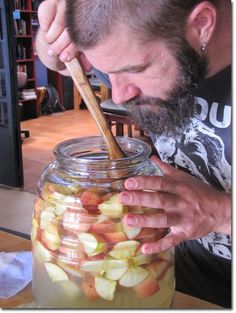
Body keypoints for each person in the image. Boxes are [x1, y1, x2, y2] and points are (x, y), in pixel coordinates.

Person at [36, 0, 232, 307]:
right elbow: (56, 60)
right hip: (174, 280)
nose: (119, 95)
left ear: (202, 24)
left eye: (136, 69)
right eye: (108, 70)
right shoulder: (137, 35)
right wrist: (52, 39)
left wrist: (221, 212)